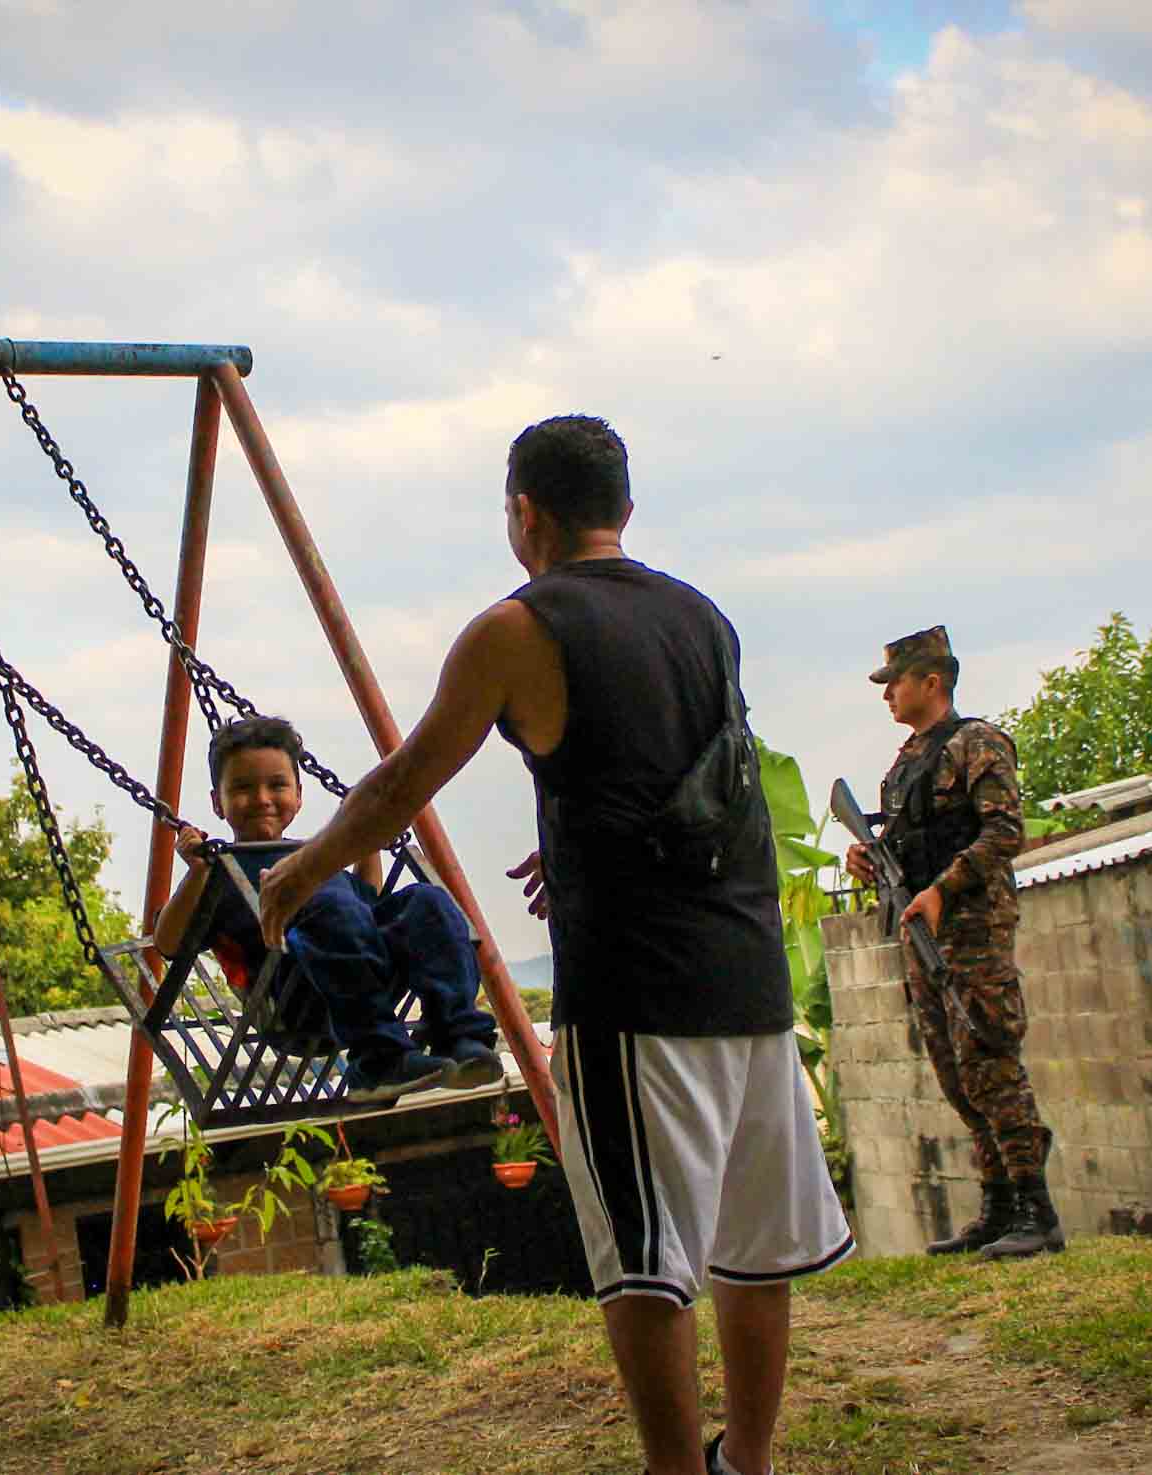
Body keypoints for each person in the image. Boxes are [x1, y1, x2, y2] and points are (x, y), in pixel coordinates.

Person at [257, 416, 852, 1475]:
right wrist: (581, 852)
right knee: (757, 1245)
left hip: (637, 991)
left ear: (524, 513)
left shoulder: (514, 629)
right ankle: (745, 1462)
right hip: (750, 970)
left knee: (642, 1260)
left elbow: (400, 784)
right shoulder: (701, 617)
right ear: (623, 506)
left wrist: (298, 871)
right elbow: (704, 787)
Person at [843, 626, 1061, 1259]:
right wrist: (867, 859)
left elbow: (1004, 834)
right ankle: (997, 1208)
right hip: (921, 933)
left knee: (991, 1062)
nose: (887, 697)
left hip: (970, 931)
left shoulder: (978, 744)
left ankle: (1036, 1210)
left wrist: (943, 890)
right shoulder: (907, 763)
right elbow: (906, 843)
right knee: (953, 1071)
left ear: (931, 682)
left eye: (895, 684)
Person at [150, 715, 502, 1102]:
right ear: (218, 802)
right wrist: (198, 871)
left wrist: (364, 840)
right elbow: (168, 943)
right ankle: (377, 1061)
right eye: (244, 788)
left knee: (427, 900)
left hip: (362, 983)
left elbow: (364, 907)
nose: (263, 799)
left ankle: (459, 1037)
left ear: (299, 796)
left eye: (277, 785)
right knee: (328, 902)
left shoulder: (315, 857)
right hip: (295, 1003)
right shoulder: (221, 871)